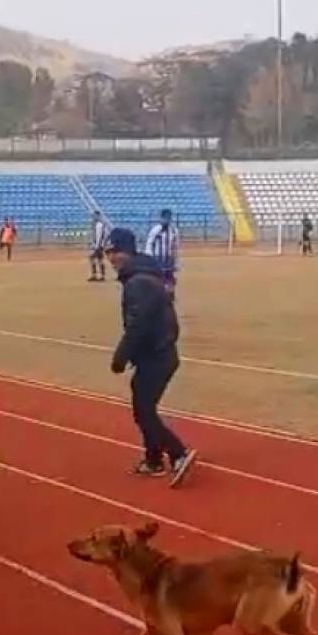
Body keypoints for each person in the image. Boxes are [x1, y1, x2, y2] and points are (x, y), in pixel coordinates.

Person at [105, 227, 197, 486]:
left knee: (144, 411)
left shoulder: (138, 282)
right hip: (155, 354)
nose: (111, 258)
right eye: (109, 252)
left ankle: (178, 453)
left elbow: (139, 324)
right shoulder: (141, 277)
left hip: (157, 355)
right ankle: (154, 459)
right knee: (143, 408)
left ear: (127, 251)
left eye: (115, 252)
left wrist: (121, 356)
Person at [145, 207, 180, 295]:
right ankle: (160, 295)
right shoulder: (156, 229)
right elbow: (149, 243)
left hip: (169, 258)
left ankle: (170, 296)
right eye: (165, 217)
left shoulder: (174, 230)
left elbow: (175, 246)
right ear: (161, 218)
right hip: (158, 258)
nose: (167, 220)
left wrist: (176, 261)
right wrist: (149, 258)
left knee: (170, 278)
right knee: (159, 278)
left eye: (169, 217)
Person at [88, 211, 107, 282]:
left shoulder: (99, 225)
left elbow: (99, 236)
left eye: (94, 216)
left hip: (98, 245)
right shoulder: (98, 224)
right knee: (99, 260)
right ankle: (101, 275)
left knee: (92, 258)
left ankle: (95, 275)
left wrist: (96, 246)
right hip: (99, 245)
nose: (93, 217)